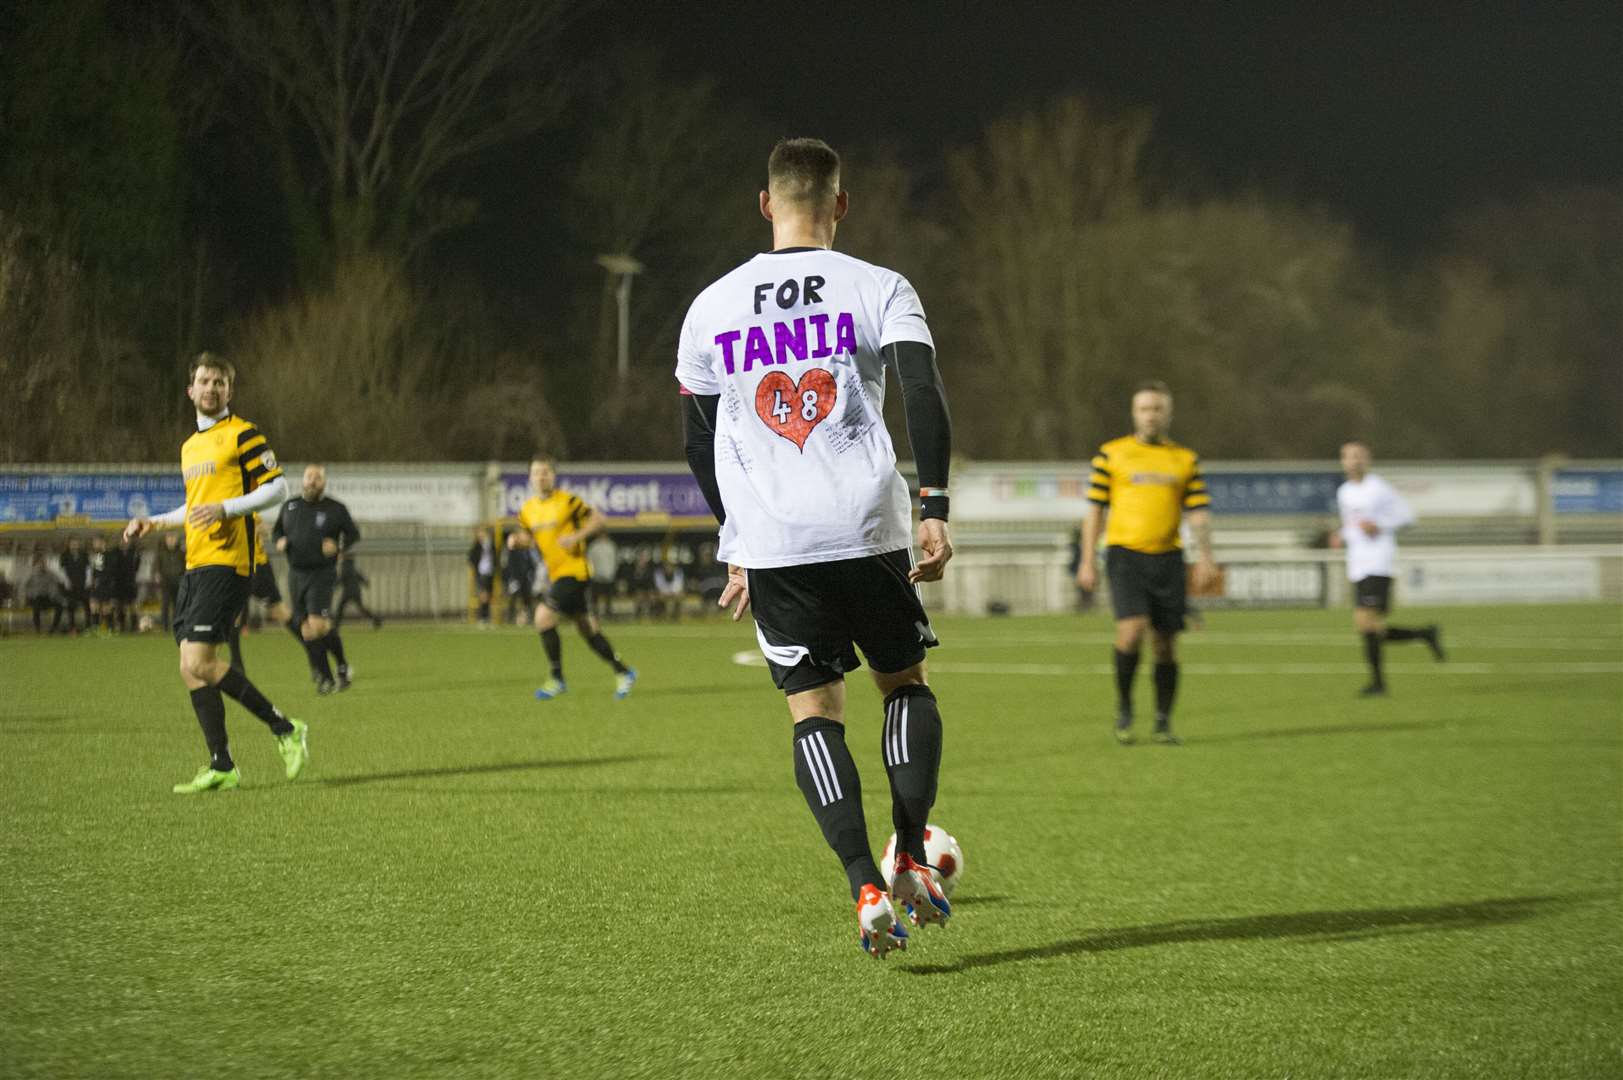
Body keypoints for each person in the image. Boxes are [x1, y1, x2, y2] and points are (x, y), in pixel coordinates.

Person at [676, 137, 955, 959]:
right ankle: (910, 851)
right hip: (866, 526)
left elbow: (698, 440)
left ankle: (864, 883)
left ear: (765, 204)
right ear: (840, 203)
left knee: (813, 713)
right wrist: (933, 504)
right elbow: (920, 389)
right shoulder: (879, 285)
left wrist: (735, 539)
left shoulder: (710, 306)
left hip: (772, 541)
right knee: (903, 684)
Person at [123, 351, 307, 794]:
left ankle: (285, 728)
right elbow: (196, 505)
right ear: (190, 390)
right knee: (190, 669)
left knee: (198, 661)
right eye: (204, 381)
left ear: (229, 390)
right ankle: (221, 763)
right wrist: (157, 522)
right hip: (196, 564)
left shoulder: (242, 434)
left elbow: (279, 488)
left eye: (219, 382)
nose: (211, 388)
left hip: (229, 563)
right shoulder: (190, 447)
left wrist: (226, 509)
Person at [1077, 380, 1218, 746]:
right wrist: (1087, 560)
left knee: (1166, 644)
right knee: (1132, 630)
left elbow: (1199, 513)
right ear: (1134, 413)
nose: (1150, 415)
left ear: (1168, 413)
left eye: (1157, 408)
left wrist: (1206, 556)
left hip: (1169, 559)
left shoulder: (1185, 459)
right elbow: (1094, 512)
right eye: (1144, 409)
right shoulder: (1112, 454)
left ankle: (1162, 720)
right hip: (1125, 556)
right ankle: (1125, 707)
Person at [1333, 440, 1444, 696]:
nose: (1355, 461)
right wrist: (1341, 535)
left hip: (1378, 562)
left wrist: (1380, 525)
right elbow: (1352, 524)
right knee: (1371, 628)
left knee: (1364, 621)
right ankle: (1425, 634)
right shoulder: (1344, 492)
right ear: (1343, 461)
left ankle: (1378, 683)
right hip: (1357, 564)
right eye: (1350, 457)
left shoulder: (1379, 488)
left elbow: (1407, 516)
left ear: (1367, 459)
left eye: (1359, 456)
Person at [519, 458, 636, 700]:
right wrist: (518, 541)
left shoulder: (568, 501)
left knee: (543, 617)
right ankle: (623, 672)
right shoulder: (527, 510)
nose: (541, 477)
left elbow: (598, 519)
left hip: (575, 572)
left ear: (553, 476)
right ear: (530, 478)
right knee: (587, 628)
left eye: (545, 472)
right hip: (556, 575)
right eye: (536, 473)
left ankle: (557, 679)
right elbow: (531, 538)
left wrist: (576, 537)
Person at [274, 464, 361, 693]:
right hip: (296, 574)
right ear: (303, 480)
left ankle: (340, 667)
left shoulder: (335, 509)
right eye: (309, 476)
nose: (313, 481)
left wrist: (338, 546)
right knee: (308, 630)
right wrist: (279, 541)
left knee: (317, 624)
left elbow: (353, 534)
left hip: (322, 573)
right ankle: (328, 677)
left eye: (318, 478)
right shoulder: (290, 506)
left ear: (324, 483)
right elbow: (277, 532)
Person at [335, 552, 382, 630]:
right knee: (361, 608)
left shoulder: (345, 567)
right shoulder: (353, 567)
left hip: (348, 592)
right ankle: (376, 620)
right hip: (356, 591)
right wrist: (366, 582)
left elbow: (342, 578)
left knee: (340, 609)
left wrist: (335, 586)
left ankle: (336, 626)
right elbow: (360, 576)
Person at [23, 554, 67, 634]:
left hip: (48, 598)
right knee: (36, 606)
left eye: (43, 563)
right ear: (35, 564)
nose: (41, 565)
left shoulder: (51, 574)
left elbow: (57, 585)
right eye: (39, 563)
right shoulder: (30, 575)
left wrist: (59, 598)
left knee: (59, 606)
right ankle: (38, 629)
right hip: (36, 598)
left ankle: (53, 629)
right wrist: (30, 596)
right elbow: (26, 588)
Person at [503, 530, 539, 625]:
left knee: (527, 598)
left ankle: (528, 617)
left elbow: (530, 565)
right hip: (515, 579)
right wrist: (513, 578)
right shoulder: (512, 551)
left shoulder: (526, 551)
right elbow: (510, 566)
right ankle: (510, 618)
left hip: (525, 579)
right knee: (513, 597)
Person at [154, 531, 187, 633]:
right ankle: (165, 627)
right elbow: (157, 566)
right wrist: (157, 574)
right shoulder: (161, 552)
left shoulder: (181, 553)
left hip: (178, 581)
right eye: (169, 538)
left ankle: (177, 627)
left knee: (178, 606)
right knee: (165, 605)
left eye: (173, 538)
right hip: (165, 582)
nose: (171, 540)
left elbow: (185, 566)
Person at [59, 536, 91, 633]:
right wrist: (66, 581)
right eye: (72, 543)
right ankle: (72, 627)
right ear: (68, 544)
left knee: (87, 606)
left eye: (76, 543)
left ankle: (88, 626)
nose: (75, 545)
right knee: (71, 607)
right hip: (71, 585)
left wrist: (88, 581)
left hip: (82, 584)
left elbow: (88, 568)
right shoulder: (64, 555)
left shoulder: (84, 554)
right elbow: (62, 570)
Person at [468, 526, 498, 627]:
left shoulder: (490, 544)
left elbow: (495, 557)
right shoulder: (477, 545)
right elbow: (471, 557)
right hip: (481, 572)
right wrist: (476, 566)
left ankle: (486, 617)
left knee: (488, 595)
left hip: (489, 572)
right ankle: (482, 616)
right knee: (483, 595)